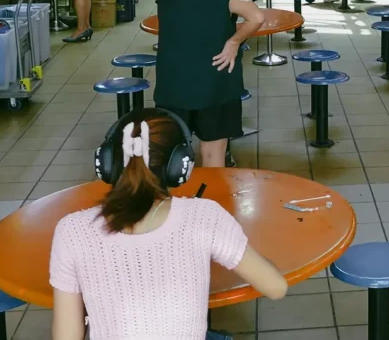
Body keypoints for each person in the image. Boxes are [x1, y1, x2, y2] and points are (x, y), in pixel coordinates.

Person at [49, 108, 287, 340]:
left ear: (107, 161)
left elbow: (67, 335)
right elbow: (276, 288)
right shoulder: (204, 216)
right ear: (180, 165)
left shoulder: (71, 231)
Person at [155, 0, 264, 167]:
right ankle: (209, 202)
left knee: (172, 157)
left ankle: (176, 202)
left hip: (173, 84)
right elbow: (256, 18)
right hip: (216, 85)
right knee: (213, 155)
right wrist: (234, 42)